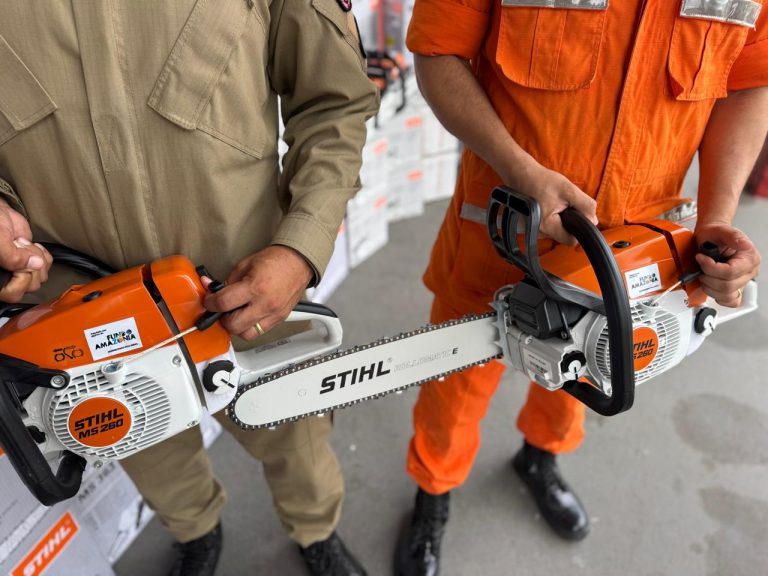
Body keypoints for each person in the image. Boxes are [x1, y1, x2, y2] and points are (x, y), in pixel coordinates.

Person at [0, 1, 378, 575]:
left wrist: (301, 246)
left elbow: (335, 103)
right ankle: (196, 533)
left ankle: (315, 530)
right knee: (152, 459)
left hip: (249, 295)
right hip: (84, 334)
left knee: (297, 447)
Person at [396, 1, 767, 573]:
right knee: (455, 382)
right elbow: (438, 51)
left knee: (590, 371)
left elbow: (747, 86)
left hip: (630, 254)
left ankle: (541, 458)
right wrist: (520, 168)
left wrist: (715, 219)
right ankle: (433, 489)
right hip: (504, 228)